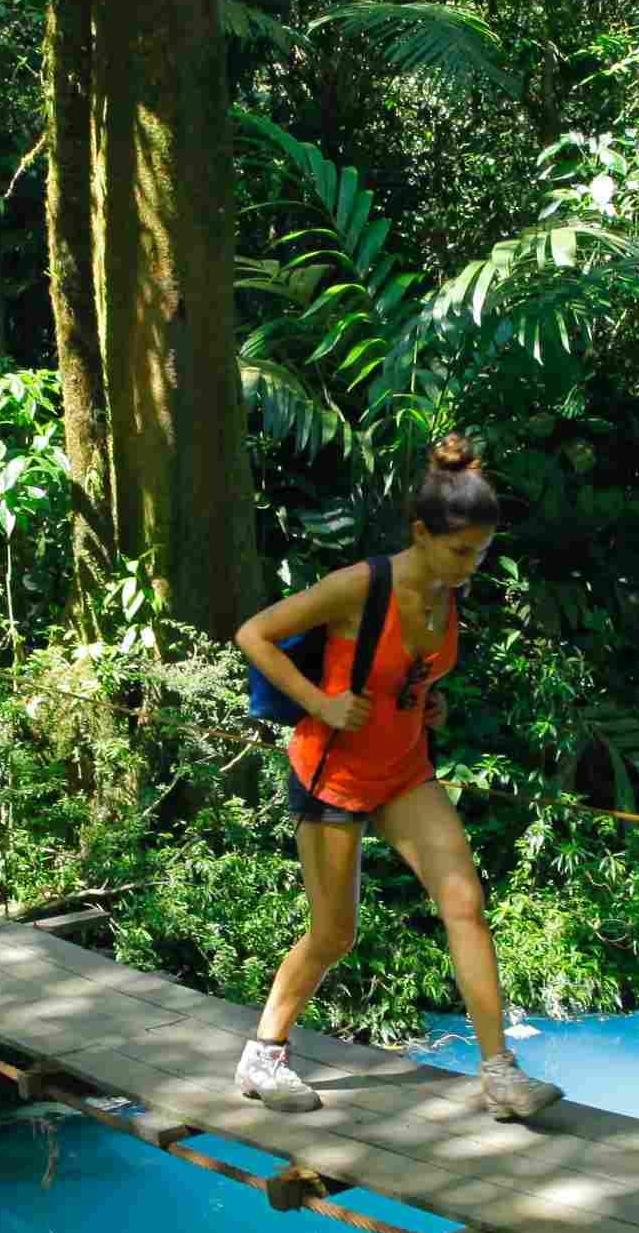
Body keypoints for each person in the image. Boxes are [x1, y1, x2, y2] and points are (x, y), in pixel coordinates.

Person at [230, 433, 562, 1124]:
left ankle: (499, 1073)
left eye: (480, 551)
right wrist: (319, 702)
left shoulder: (447, 593)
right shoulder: (362, 585)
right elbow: (254, 633)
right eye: (459, 550)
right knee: (333, 935)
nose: (471, 565)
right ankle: (263, 1054)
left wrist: (426, 698)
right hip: (331, 776)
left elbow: (410, 673)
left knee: (464, 902)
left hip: (404, 769)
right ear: (420, 532)